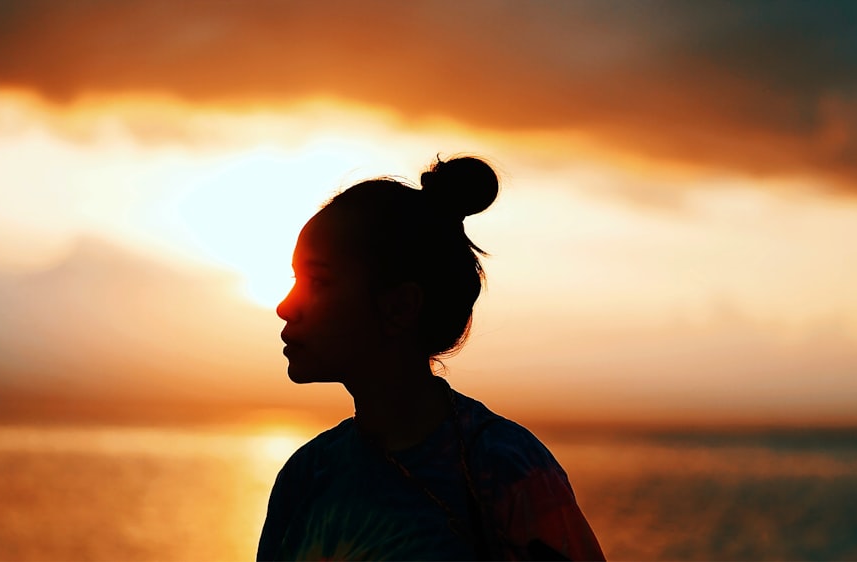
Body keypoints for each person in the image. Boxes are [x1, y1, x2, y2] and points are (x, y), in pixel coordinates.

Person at [257, 156, 604, 561]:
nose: (285, 307)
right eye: (295, 280)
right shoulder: (308, 475)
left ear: (400, 306)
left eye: (318, 281)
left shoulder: (504, 467)